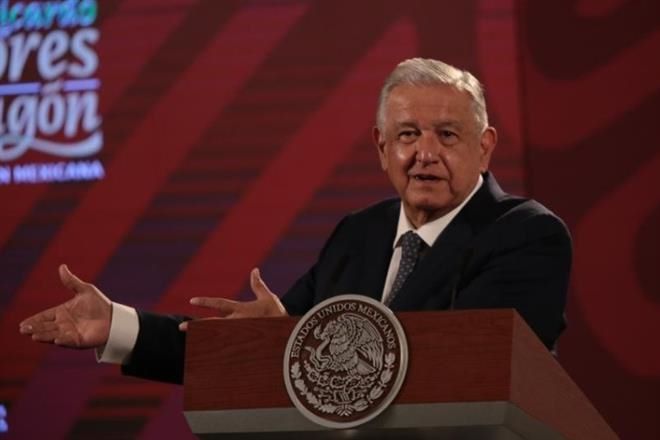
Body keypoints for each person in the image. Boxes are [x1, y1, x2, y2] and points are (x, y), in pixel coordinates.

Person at [19, 58, 572, 385]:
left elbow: (469, 365)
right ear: (382, 148)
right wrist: (118, 325)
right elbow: (257, 350)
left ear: (485, 146)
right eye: (407, 135)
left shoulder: (526, 234)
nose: (424, 153)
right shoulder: (359, 236)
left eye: (447, 135)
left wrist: (291, 341)